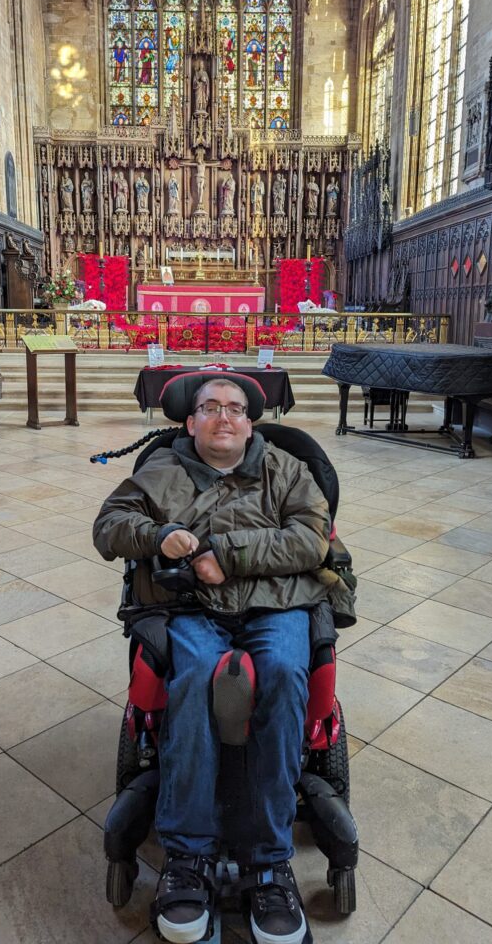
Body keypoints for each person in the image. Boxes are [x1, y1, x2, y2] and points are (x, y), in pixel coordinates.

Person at [94, 375, 351, 944]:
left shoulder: (288, 468)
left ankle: (269, 862)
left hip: (276, 603)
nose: (223, 418)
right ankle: (187, 857)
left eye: (235, 409)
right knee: (192, 683)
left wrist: (227, 555)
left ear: (250, 422)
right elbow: (107, 527)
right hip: (192, 608)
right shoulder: (159, 471)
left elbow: (312, 539)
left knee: (285, 675)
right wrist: (159, 536)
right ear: (191, 422)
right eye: (209, 408)